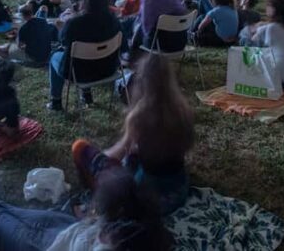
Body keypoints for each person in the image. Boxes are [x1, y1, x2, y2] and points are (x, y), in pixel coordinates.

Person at [73, 54, 195, 214]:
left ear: (141, 80)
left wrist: (99, 158)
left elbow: (117, 154)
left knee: (80, 148)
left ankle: (94, 201)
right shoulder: (183, 110)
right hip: (178, 191)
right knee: (132, 157)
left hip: (146, 199)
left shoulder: (139, 115)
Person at [0, 166, 172, 251]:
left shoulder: (124, 237)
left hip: (47, 244)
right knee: (3, 211)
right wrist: (89, 220)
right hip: (69, 231)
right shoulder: (145, 227)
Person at [48, 0, 122, 112]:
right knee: (85, 55)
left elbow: (63, 41)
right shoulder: (113, 20)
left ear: (84, 1)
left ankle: (56, 102)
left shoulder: (74, 23)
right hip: (108, 69)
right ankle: (86, 96)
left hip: (79, 73)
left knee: (55, 56)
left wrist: (61, 27)